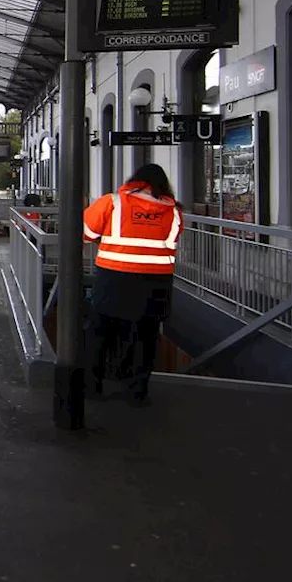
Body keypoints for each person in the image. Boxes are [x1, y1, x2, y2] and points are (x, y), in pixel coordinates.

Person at [82, 163, 183, 406]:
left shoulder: (113, 202)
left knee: (99, 333)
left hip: (114, 278)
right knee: (145, 337)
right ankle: (137, 392)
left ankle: (91, 387)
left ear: (135, 180)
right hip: (156, 283)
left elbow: (87, 232)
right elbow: (171, 241)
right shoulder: (174, 211)